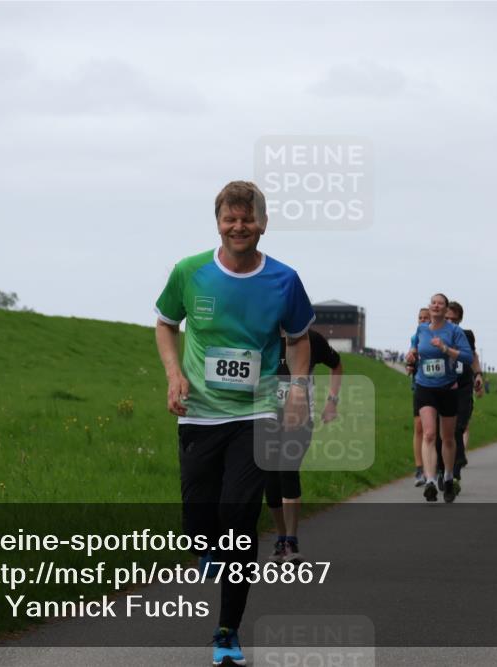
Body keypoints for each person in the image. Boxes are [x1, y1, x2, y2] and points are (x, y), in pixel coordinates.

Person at [154, 181, 315, 667]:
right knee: (197, 517)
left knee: (239, 517)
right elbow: (165, 323)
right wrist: (174, 374)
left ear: (262, 224)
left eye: (248, 219)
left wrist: (297, 392)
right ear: (219, 222)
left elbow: (299, 339)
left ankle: (227, 631)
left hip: (256, 411)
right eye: (230, 218)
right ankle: (204, 546)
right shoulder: (190, 272)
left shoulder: (284, 280)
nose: (239, 226)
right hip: (199, 412)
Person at [266, 329, 342, 564]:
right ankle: (281, 538)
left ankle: (291, 540)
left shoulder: (312, 339)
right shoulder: (262, 333)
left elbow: (337, 366)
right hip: (266, 418)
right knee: (270, 480)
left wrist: (332, 402)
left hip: (299, 419)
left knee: (286, 470)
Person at [405, 293, 473, 502]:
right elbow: (415, 347)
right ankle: (430, 481)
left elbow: (467, 356)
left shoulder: (454, 331)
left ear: (445, 309)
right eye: (433, 303)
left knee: (448, 438)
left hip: (448, 387)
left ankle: (449, 477)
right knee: (428, 434)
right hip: (425, 386)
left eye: (440, 304)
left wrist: (445, 349)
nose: (435, 306)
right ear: (429, 307)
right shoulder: (421, 329)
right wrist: (411, 355)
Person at [445, 301, 484, 482]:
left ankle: (457, 463)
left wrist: (478, 375)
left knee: (459, 426)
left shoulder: (467, 335)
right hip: (442, 386)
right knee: (443, 429)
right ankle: (445, 466)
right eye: (447, 319)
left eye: (455, 320)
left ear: (460, 320)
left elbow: (473, 356)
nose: (451, 323)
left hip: (463, 385)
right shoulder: (434, 333)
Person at [407, 307, 431, 487]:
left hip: (439, 386)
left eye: (426, 318)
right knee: (419, 427)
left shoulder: (440, 336)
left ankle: (435, 467)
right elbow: (411, 355)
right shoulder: (416, 337)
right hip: (419, 385)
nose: (422, 321)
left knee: (433, 429)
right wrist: (410, 362)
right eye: (420, 318)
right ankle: (419, 468)